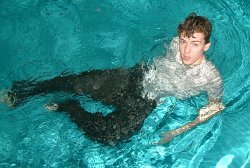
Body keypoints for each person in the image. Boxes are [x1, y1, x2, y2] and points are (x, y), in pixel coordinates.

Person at [2, 13, 225, 145]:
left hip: (147, 100)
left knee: (111, 136)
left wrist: (175, 132)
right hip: (134, 77)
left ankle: (69, 108)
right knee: (76, 82)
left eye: (194, 44)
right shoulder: (175, 44)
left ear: (207, 46)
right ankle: (20, 92)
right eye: (183, 41)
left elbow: (214, 108)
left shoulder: (211, 78)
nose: (185, 49)